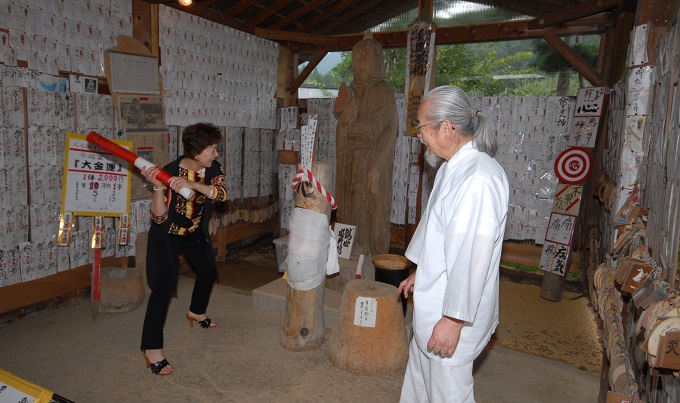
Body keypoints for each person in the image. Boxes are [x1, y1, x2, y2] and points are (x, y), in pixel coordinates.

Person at [398, 86, 509, 402]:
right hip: (434, 301)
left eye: (421, 128)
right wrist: (421, 269)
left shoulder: (480, 178)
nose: (420, 136)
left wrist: (453, 319)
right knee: (420, 381)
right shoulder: (451, 167)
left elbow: (473, 255)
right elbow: (436, 227)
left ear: (446, 127)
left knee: (447, 392)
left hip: (453, 313)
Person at [140, 122, 228, 376]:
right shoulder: (168, 173)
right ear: (196, 151)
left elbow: (221, 194)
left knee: (208, 269)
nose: (216, 154)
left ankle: (196, 312)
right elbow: (158, 217)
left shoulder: (212, 169)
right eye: (211, 149)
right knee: (164, 285)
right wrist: (159, 186)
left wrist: (192, 186)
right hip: (167, 233)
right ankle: (151, 347)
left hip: (193, 230)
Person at [334, 32, 398, 258]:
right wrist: (344, 124)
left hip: (371, 157)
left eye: (366, 59)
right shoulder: (350, 92)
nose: (360, 66)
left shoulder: (384, 92)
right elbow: (342, 129)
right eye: (356, 59)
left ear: (377, 61)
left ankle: (370, 254)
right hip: (350, 159)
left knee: (368, 206)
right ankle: (346, 253)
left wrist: (378, 165)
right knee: (348, 204)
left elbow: (391, 128)